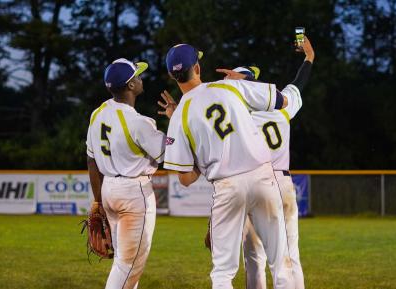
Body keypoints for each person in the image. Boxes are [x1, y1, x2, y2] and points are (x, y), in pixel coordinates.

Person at [160, 43, 297, 289]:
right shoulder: (228, 86)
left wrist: (208, 156)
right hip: (263, 178)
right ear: (198, 67)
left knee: (223, 272)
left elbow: (185, 179)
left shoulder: (180, 116)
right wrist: (246, 83)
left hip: (226, 187)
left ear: (172, 75)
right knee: (280, 262)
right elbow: (283, 100)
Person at [217, 36, 314, 289]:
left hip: (249, 184)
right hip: (280, 184)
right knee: (290, 256)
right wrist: (309, 58)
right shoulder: (281, 107)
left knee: (254, 259)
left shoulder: (232, 118)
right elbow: (298, 84)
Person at [86, 58, 166, 289]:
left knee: (124, 261)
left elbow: (91, 160)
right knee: (128, 265)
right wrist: (177, 119)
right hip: (134, 193)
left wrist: (97, 201)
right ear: (131, 86)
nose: (141, 79)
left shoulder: (98, 113)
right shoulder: (138, 122)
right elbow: (172, 153)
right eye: (137, 76)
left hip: (109, 189)